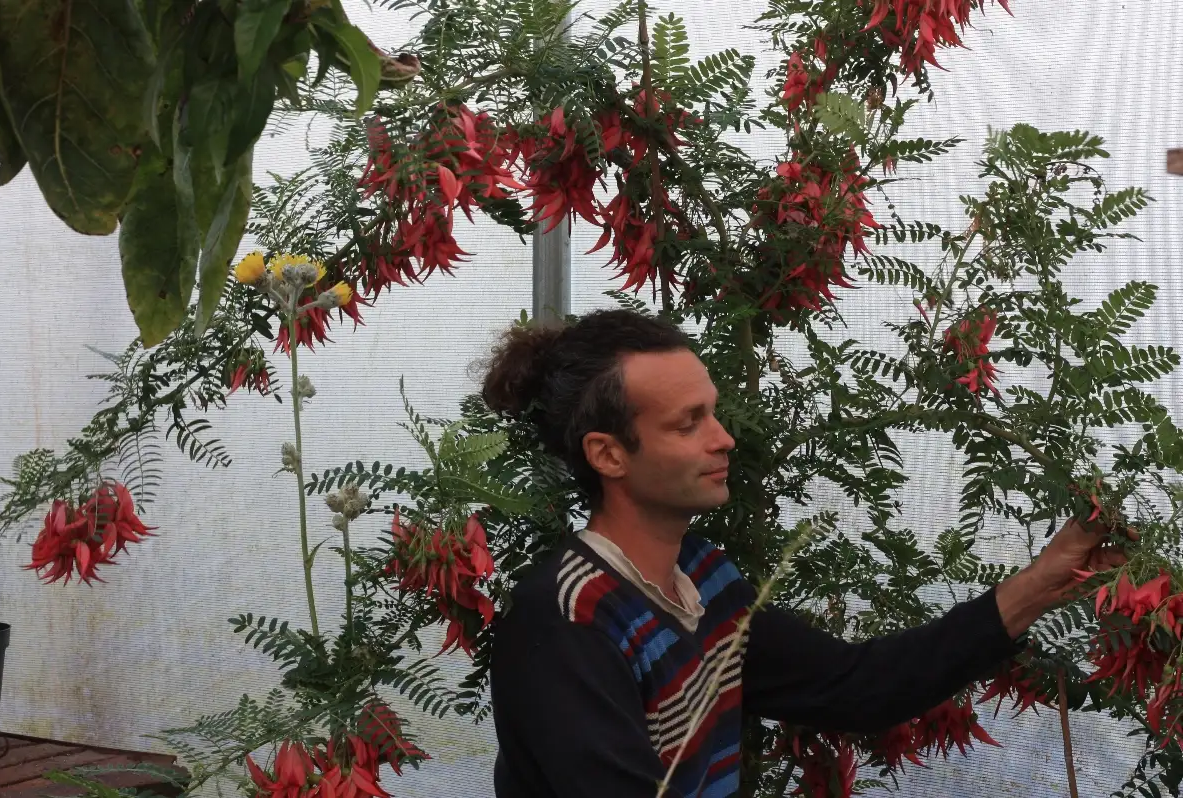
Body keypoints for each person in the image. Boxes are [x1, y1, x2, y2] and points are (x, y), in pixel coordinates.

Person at [480, 308, 1130, 798]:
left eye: (714, 413)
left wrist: (1046, 579)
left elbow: (854, 686)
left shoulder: (702, 579)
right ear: (609, 453)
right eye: (689, 423)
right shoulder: (568, 621)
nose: (725, 438)